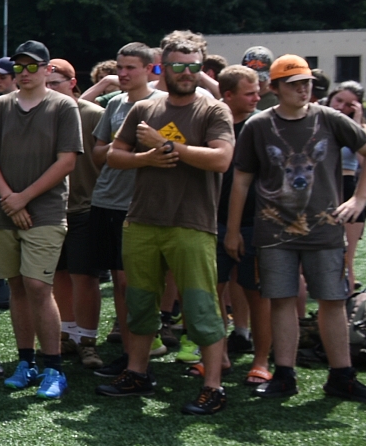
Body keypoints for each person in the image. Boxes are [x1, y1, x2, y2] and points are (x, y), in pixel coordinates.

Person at [225, 54, 366, 406]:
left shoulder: (329, 118)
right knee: (281, 301)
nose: (303, 89)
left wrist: (359, 198)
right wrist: (233, 230)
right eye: (294, 84)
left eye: (307, 83)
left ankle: (342, 376)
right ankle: (285, 374)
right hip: (273, 231)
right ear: (275, 87)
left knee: (332, 301)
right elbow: (241, 180)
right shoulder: (258, 125)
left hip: (324, 230)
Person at [99, 32, 237, 414]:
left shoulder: (214, 110)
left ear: (201, 68)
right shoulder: (145, 108)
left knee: (201, 308)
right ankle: (137, 373)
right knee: (140, 304)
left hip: (192, 224)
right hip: (142, 220)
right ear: (163, 67)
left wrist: (166, 145)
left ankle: (213, 387)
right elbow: (113, 156)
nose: (186, 73)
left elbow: (221, 159)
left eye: (193, 66)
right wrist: (146, 158)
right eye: (178, 65)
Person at [0, 39, 83, 399]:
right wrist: (10, 199)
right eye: (19, 67)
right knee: (17, 285)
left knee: (38, 286)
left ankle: (54, 367)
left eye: (32, 66)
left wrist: (23, 198)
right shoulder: (0, 106)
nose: (24, 73)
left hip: (45, 212)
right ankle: (27, 362)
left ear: (47, 69)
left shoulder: (63, 106)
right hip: (3, 211)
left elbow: (67, 161)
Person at [87, 42, 158, 371]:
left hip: (143, 204)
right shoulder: (115, 103)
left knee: (137, 284)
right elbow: (98, 154)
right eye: (120, 67)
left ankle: (144, 354)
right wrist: (123, 147)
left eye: (131, 67)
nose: (123, 74)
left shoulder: (160, 104)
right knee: (119, 282)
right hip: (107, 200)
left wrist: (125, 152)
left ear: (148, 69)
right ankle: (129, 354)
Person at [46, 59, 109, 367]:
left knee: (85, 277)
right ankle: (67, 334)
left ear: (72, 83)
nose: (49, 89)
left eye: (55, 83)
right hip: (52, 208)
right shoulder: (44, 114)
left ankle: (87, 341)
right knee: (58, 275)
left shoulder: (94, 114)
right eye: (46, 84)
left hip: (87, 208)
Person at [214, 64, 268, 378]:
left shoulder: (261, 125)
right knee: (211, 293)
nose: (256, 98)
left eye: (257, 92)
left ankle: (261, 361)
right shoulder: (211, 122)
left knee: (257, 295)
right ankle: (218, 356)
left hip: (255, 222)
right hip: (212, 220)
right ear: (228, 95)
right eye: (249, 94)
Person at [328, 80, 366, 281]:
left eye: (348, 105)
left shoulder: (361, 129)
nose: (340, 107)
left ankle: (347, 294)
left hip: (347, 187)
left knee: (347, 258)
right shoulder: (316, 121)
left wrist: (357, 122)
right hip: (322, 188)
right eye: (338, 100)